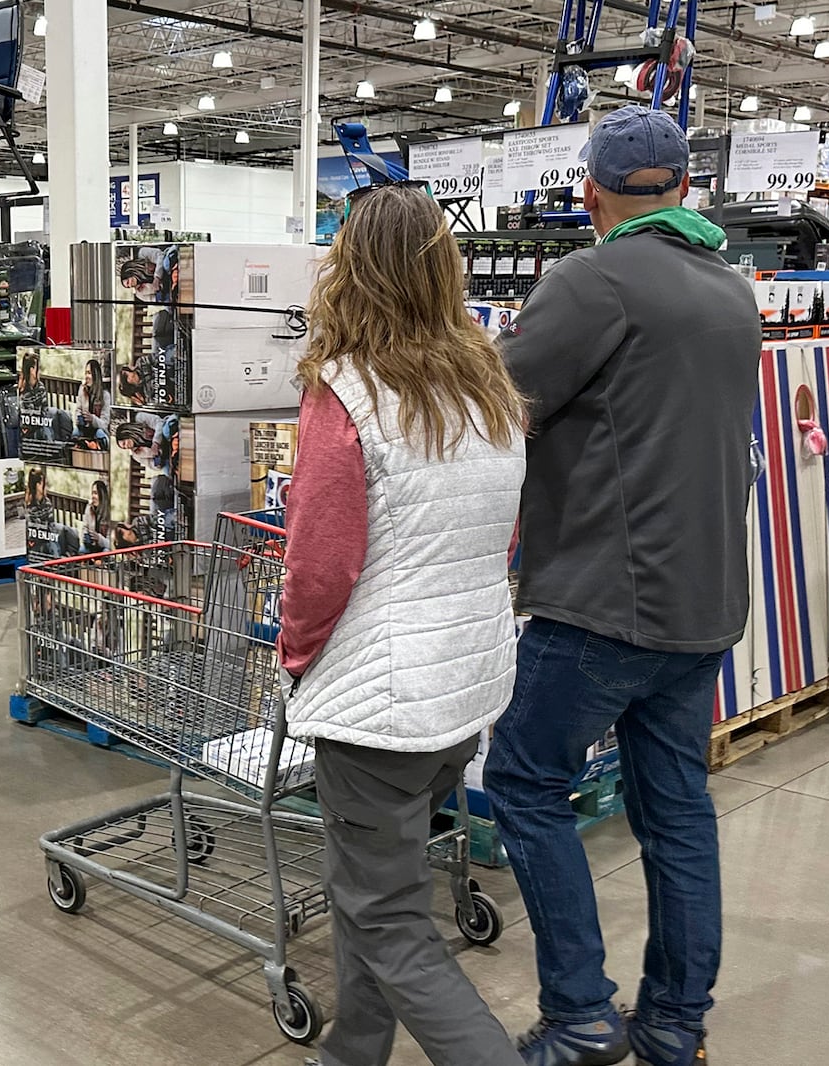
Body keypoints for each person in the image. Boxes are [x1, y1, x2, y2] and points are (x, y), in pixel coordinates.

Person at [484, 106, 763, 1066]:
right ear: (686, 188)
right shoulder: (734, 289)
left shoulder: (593, 279)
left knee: (525, 779)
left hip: (604, 602)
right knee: (676, 811)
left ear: (593, 192)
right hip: (704, 604)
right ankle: (675, 1024)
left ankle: (581, 1017)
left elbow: (497, 405)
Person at [276, 182, 528, 1066]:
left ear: (349, 270)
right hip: (466, 686)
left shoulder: (344, 391)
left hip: (381, 704)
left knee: (388, 918)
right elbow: (507, 532)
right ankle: (353, 1055)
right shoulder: (488, 384)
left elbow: (319, 564)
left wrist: (296, 656)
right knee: (373, 892)